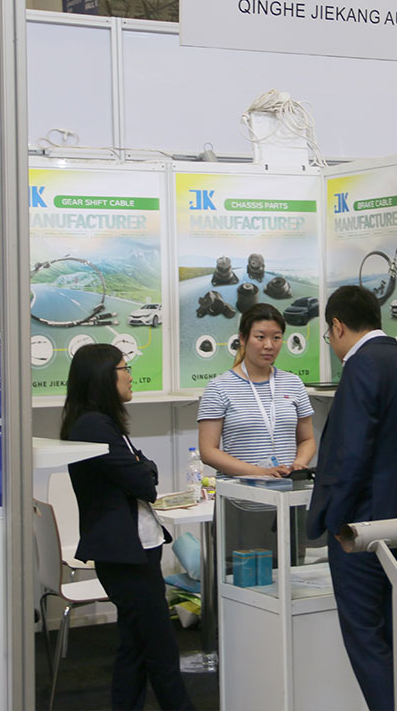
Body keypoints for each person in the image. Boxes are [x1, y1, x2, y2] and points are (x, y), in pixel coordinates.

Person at [307, 285, 397, 711]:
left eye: (330, 334)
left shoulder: (361, 367)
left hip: (360, 525)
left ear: (337, 326)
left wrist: (333, 523)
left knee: (365, 637)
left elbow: (349, 455)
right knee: (393, 631)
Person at [61, 343, 193, 711]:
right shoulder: (93, 425)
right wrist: (142, 467)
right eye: (124, 369)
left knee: (135, 647)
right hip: (125, 554)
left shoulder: (100, 422)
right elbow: (144, 482)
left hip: (134, 549)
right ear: (104, 377)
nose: (131, 376)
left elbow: (141, 470)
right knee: (160, 647)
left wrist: (141, 466)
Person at [198, 304, 316, 561]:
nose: (268, 345)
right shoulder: (219, 388)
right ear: (242, 339)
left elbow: (307, 439)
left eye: (276, 338)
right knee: (241, 580)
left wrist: (300, 463)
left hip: (288, 502)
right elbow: (208, 451)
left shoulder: (293, 383)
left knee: (291, 575)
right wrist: (259, 472)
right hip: (241, 504)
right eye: (260, 337)